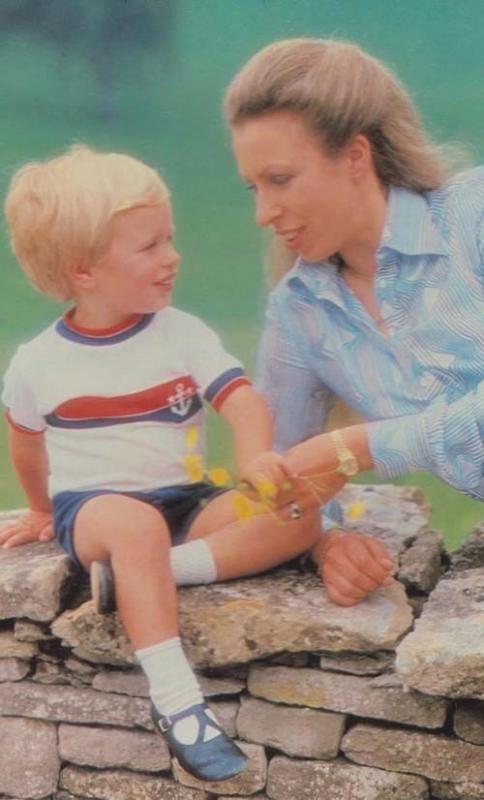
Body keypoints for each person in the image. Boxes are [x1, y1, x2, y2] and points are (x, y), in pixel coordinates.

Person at [0, 144, 331, 782]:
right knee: (133, 529)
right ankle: (180, 705)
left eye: (170, 238)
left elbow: (241, 401)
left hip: (186, 499)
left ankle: (147, 573)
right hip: (97, 510)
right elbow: (24, 442)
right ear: (85, 271)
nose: (173, 256)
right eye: (150, 246)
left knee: (299, 513)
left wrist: (257, 455)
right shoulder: (40, 364)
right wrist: (43, 510)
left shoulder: (180, 332)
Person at [223, 37, 483, 605]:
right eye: (254, 187)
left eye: (281, 180)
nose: (263, 213)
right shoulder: (298, 311)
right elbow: (281, 479)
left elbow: (344, 453)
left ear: (356, 157)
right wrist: (325, 543)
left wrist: (363, 444)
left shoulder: (473, 214)